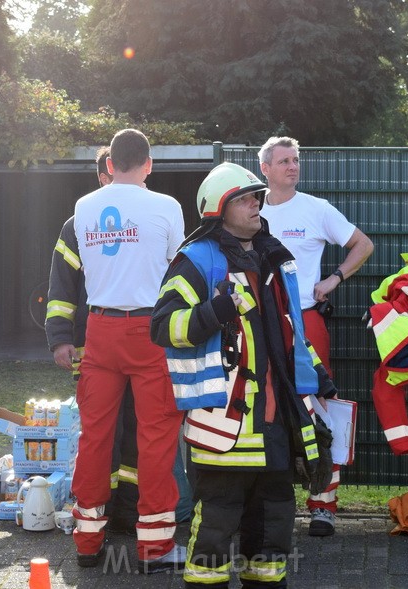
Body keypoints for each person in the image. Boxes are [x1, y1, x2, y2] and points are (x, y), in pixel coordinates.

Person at [151, 162, 333, 589]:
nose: (258, 202)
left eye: (257, 197)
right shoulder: (196, 260)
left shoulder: (271, 257)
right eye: (247, 198)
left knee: (273, 533)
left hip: (277, 424)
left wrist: (317, 374)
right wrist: (215, 311)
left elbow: (287, 329)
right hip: (227, 425)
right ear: (220, 207)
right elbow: (163, 326)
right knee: (214, 530)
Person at [70, 129, 187, 573]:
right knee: (155, 437)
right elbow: (178, 264)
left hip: (99, 327)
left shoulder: (83, 206)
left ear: (110, 164)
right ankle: (154, 549)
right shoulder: (166, 207)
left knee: (95, 436)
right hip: (150, 328)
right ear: (149, 164)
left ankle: (87, 540)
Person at [258, 136, 374, 537]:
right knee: (264, 406)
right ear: (265, 170)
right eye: (284, 161)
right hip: (261, 324)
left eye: (296, 160)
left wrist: (334, 278)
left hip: (306, 321)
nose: (293, 166)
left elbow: (363, 244)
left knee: (321, 407)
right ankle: (267, 501)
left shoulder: (316, 209)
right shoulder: (250, 212)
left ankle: (324, 505)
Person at [46, 146, 140, 534]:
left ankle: (130, 510)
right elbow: (61, 286)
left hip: (141, 346)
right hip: (91, 348)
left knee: (137, 429)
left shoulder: (145, 220)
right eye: (105, 175)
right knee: (103, 433)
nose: (110, 182)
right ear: (102, 177)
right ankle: (99, 509)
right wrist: (59, 339)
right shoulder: (79, 223)